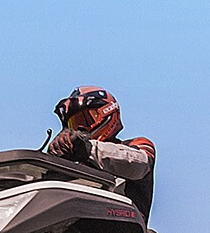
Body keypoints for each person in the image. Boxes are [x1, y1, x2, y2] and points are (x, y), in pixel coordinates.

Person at [48, 86, 155, 220]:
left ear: (106, 112)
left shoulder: (137, 146)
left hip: (123, 228)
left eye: (87, 119)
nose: (81, 128)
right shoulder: (77, 166)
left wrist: (88, 149)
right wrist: (53, 164)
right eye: (75, 123)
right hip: (79, 227)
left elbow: (139, 164)